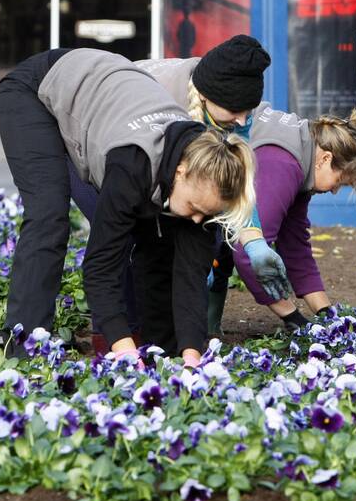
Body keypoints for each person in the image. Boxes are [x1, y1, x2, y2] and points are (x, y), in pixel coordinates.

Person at [0, 48, 255, 367]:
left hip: (107, 94)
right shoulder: (132, 165)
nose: (199, 218)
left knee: (162, 239)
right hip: (38, 89)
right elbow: (101, 265)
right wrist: (124, 348)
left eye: (207, 213)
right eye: (195, 207)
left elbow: (191, 274)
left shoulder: (207, 180)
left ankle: (161, 346)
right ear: (180, 171)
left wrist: (190, 354)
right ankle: (24, 348)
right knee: (49, 217)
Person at [67, 36, 291, 352]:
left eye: (248, 111)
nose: (242, 120)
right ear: (204, 96)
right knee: (123, 236)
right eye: (236, 111)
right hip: (98, 145)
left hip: (163, 169)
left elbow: (230, 182)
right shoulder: (168, 99)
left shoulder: (232, 116)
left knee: (186, 235)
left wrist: (252, 240)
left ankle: (166, 342)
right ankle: (117, 338)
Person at [209, 105, 356, 334]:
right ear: (325, 159)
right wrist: (292, 316)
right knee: (218, 243)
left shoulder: (303, 157)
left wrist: (326, 314)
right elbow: (247, 250)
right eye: (339, 181)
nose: (336, 190)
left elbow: (295, 245)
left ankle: (205, 329)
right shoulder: (284, 163)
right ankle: (197, 335)